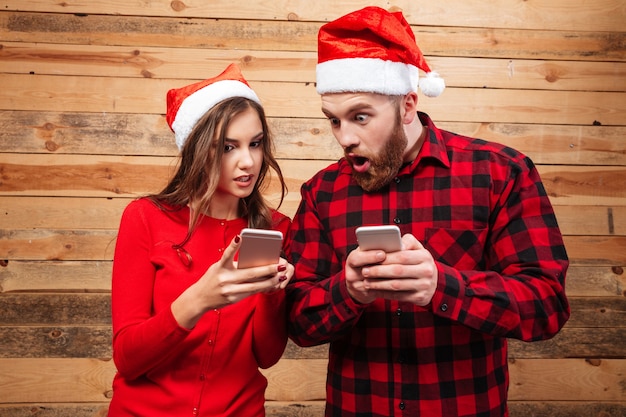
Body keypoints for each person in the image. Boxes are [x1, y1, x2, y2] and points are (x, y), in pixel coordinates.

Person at [285, 7, 570, 417]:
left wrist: (444, 287)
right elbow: (297, 322)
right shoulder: (322, 192)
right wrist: (348, 292)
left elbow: (547, 306)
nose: (345, 138)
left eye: (360, 116)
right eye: (334, 121)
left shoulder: (500, 173)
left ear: (407, 106)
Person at [108, 63, 294, 417]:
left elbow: (267, 356)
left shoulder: (275, 228)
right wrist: (198, 300)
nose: (248, 161)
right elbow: (128, 359)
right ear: (196, 149)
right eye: (227, 147)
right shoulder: (146, 218)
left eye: (255, 144)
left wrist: (272, 295)